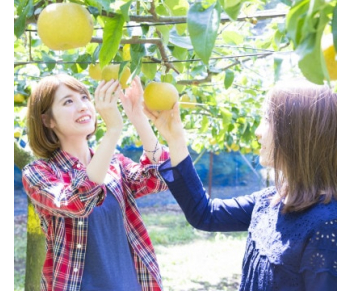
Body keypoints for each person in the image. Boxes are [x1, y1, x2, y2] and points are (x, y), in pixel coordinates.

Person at [144, 78, 337, 291]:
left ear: (295, 132)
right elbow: (204, 213)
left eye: (267, 119)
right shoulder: (269, 202)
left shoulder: (327, 227)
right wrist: (174, 138)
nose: (258, 131)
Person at [21, 73, 169, 291]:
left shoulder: (114, 165)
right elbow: (78, 202)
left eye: (84, 97)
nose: (82, 106)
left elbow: (161, 177)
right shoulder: (39, 173)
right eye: (68, 101)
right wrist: (112, 131)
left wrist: (138, 116)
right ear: (47, 120)